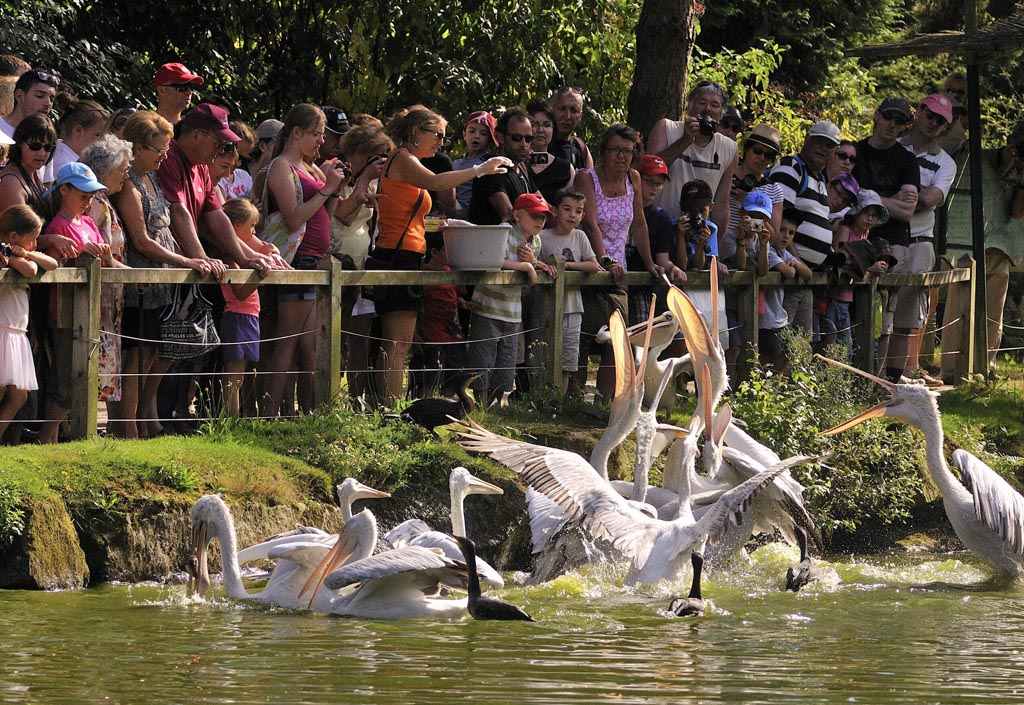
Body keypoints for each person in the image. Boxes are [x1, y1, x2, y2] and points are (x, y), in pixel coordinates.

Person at [373, 104, 511, 406]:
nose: (441, 143)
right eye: (438, 135)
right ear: (415, 133)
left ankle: (390, 407)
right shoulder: (403, 159)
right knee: (398, 345)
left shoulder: (406, 161)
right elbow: (436, 182)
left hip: (410, 255)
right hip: (399, 257)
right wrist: (478, 171)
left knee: (401, 343)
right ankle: (391, 411)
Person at [110, 111, 211, 439]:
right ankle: (127, 430)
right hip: (139, 284)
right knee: (136, 359)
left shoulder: (154, 179)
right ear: (137, 148)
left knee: (154, 355)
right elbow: (142, 241)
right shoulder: (129, 185)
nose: (164, 156)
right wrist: (185, 260)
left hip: (160, 286)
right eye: (158, 150)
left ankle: (141, 422)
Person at [260, 104, 348, 417]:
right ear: (296, 133)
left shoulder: (311, 167)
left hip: (315, 260)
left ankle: (311, 413)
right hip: (297, 260)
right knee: (288, 342)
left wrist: (333, 190)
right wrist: (326, 189)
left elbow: (326, 214)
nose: (321, 141)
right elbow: (294, 217)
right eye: (316, 134)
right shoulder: (282, 167)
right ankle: (268, 415)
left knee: (310, 345)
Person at [38, 162, 128, 443]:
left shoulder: (88, 222)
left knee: (79, 380)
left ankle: (51, 441)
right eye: (83, 195)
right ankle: (45, 439)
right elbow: (61, 265)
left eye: (91, 196)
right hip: (67, 313)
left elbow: (108, 261)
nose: (88, 201)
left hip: (90, 311)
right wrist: (82, 253)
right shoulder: (58, 226)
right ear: (63, 191)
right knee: (65, 381)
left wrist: (139, 278)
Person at [574, 123, 659, 396]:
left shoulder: (633, 178)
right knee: (584, 335)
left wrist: (649, 263)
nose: (621, 156)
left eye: (627, 151)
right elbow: (590, 223)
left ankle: (608, 401)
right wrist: (604, 260)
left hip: (619, 270)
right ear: (604, 151)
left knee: (616, 337)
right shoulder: (587, 178)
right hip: (589, 264)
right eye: (615, 150)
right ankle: (571, 397)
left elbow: (639, 225)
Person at [940, 120, 1024, 383]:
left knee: (992, 316)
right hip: (966, 244)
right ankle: (951, 372)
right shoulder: (977, 160)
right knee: (959, 310)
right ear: (1010, 145)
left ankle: (983, 371)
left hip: (1000, 249)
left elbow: (1017, 212)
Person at [884, 94, 956, 385]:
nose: (933, 123)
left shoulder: (945, 163)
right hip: (886, 236)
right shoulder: (893, 145)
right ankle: (871, 376)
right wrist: (909, 196)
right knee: (881, 312)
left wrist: (895, 196)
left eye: (940, 121)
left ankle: (895, 378)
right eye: (930, 115)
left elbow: (931, 198)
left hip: (920, 240)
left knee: (908, 318)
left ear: (945, 127)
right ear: (920, 113)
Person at [158, 103, 276, 277]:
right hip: (166, 265)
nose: (221, 149)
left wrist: (246, 258)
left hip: (187, 267)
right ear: (197, 135)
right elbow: (178, 212)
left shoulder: (202, 167)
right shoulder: (169, 157)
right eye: (218, 143)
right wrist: (201, 257)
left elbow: (216, 216)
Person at [851, 96, 921, 381]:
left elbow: (906, 210)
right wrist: (888, 200)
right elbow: (846, 194)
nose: (892, 124)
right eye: (889, 116)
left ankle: (879, 382)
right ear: (877, 116)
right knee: (850, 306)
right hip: (854, 238)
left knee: (885, 315)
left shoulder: (907, 160)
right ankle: (853, 376)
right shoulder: (853, 152)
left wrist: (868, 196)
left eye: (900, 121)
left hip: (893, 243)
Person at [467, 192, 557, 403]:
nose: (540, 221)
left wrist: (533, 263)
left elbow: (530, 269)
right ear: (517, 215)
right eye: (535, 216)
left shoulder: (536, 242)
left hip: (512, 312)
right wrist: (526, 266)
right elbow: (493, 260)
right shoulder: (504, 232)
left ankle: (496, 405)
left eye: (543, 217)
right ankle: (480, 404)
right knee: (483, 359)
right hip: (488, 306)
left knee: (506, 364)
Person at [331, 122, 391, 402]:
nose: (381, 162)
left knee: (360, 340)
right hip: (337, 262)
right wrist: (364, 177)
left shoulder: (376, 181)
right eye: (377, 156)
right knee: (334, 338)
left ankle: (357, 401)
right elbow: (342, 213)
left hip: (364, 264)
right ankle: (329, 398)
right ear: (360, 152)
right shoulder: (337, 173)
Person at [768, 120, 841, 335]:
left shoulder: (819, 179)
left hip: (804, 278)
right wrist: (800, 262)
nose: (822, 148)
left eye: (829, 145)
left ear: (834, 152)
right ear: (807, 140)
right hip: (786, 274)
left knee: (801, 345)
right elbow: (780, 222)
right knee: (782, 340)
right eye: (818, 141)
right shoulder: (792, 168)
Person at [80, 134, 134, 410]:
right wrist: (132, 274)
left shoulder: (105, 201)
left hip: (109, 306)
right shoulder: (95, 203)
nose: (126, 176)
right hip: (96, 303)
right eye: (122, 170)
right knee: (87, 371)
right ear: (103, 170)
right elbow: (96, 250)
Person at [648, 80, 738, 230]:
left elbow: (722, 204)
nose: (707, 109)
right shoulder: (666, 128)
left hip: (698, 234)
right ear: (690, 106)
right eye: (702, 103)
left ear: (721, 114)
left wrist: (716, 247)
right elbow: (649, 172)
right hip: (659, 227)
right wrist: (685, 140)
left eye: (715, 105)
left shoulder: (729, 148)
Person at [0, 205, 57, 441]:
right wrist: (16, 258)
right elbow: (30, 270)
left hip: (15, 333)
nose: (35, 244)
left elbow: (50, 264)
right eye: (32, 240)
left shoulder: (17, 252)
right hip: (3, 331)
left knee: (19, 396)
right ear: (13, 237)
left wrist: (25, 252)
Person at [538, 188, 601, 392]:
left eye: (578, 211)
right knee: (542, 352)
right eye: (567, 209)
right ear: (555, 211)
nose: (572, 215)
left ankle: (560, 400)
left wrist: (566, 267)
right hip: (545, 307)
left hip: (573, 306)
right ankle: (540, 397)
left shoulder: (580, 237)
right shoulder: (541, 237)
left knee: (568, 357)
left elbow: (593, 265)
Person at [826, 189, 892, 357]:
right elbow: (838, 260)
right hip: (833, 296)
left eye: (874, 215)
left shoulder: (865, 234)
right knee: (838, 346)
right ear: (856, 213)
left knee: (850, 346)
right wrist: (870, 268)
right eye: (866, 213)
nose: (870, 218)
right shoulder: (846, 230)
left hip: (850, 297)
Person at [413, 228, 470, 395]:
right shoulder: (421, 275)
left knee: (455, 376)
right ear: (435, 252)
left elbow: (455, 296)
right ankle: (425, 404)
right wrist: (415, 332)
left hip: (454, 335)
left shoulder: (453, 272)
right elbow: (416, 304)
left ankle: (448, 405)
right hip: (431, 336)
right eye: (447, 250)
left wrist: (464, 304)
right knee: (429, 377)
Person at [219, 199, 262, 417]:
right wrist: (261, 277)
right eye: (251, 226)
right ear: (236, 226)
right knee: (234, 375)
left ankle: (237, 417)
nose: (253, 231)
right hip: (237, 316)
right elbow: (240, 291)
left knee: (241, 374)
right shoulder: (231, 257)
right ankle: (230, 419)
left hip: (249, 316)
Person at [758, 208, 812, 374]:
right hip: (767, 321)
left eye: (791, 233)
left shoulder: (785, 253)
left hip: (778, 320)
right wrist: (793, 269)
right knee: (767, 360)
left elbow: (809, 275)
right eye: (782, 230)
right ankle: (768, 390)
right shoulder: (770, 252)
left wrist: (795, 264)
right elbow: (788, 272)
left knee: (802, 349)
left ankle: (775, 387)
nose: (786, 236)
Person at [468, 108, 537, 225]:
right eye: (517, 138)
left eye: (528, 139)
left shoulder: (522, 167)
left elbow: (541, 204)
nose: (524, 144)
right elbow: (509, 216)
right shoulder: (491, 170)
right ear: (500, 137)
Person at [42, 96, 110, 186]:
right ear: (78, 130)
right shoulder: (64, 164)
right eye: (98, 135)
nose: (102, 141)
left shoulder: (67, 154)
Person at [0, 115, 57, 219]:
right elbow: (17, 231)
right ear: (20, 143)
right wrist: (51, 236)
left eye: (48, 147)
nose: (42, 154)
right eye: (35, 146)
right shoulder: (11, 182)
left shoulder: (32, 173)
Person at [526, 99, 574, 206]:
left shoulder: (565, 168)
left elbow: (569, 207)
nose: (540, 130)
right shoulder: (516, 164)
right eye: (535, 124)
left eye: (547, 125)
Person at [452, 110, 498, 215]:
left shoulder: (490, 162)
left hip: (476, 214)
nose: (477, 136)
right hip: (453, 211)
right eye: (472, 131)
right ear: (464, 134)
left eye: (483, 133)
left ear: (490, 138)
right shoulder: (455, 163)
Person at [0, 69, 59, 142]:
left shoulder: (46, 139)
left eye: (51, 99)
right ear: (19, 96)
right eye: (39, 96)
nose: (48, 103)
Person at [677, 179, 722, 274]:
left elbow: (698, 268)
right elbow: (681, 266)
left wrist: (701, 244)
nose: (697, 216)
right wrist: (680, 237)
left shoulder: (711, 229)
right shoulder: (674, 226)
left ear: (711, 207)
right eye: (692, 211)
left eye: (702, 211)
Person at [547, 86, 594, 169]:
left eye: (573, 110)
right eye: (562, 109)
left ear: (580, 116)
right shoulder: (537, 144)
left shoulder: (581, 150)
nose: (567, 116)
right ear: (551, 110)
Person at [154, 62, 203, 126]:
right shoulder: (143, 127)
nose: (189, 92)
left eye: (191, 87)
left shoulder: (191, 130)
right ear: (161, 90)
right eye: (182, 87)